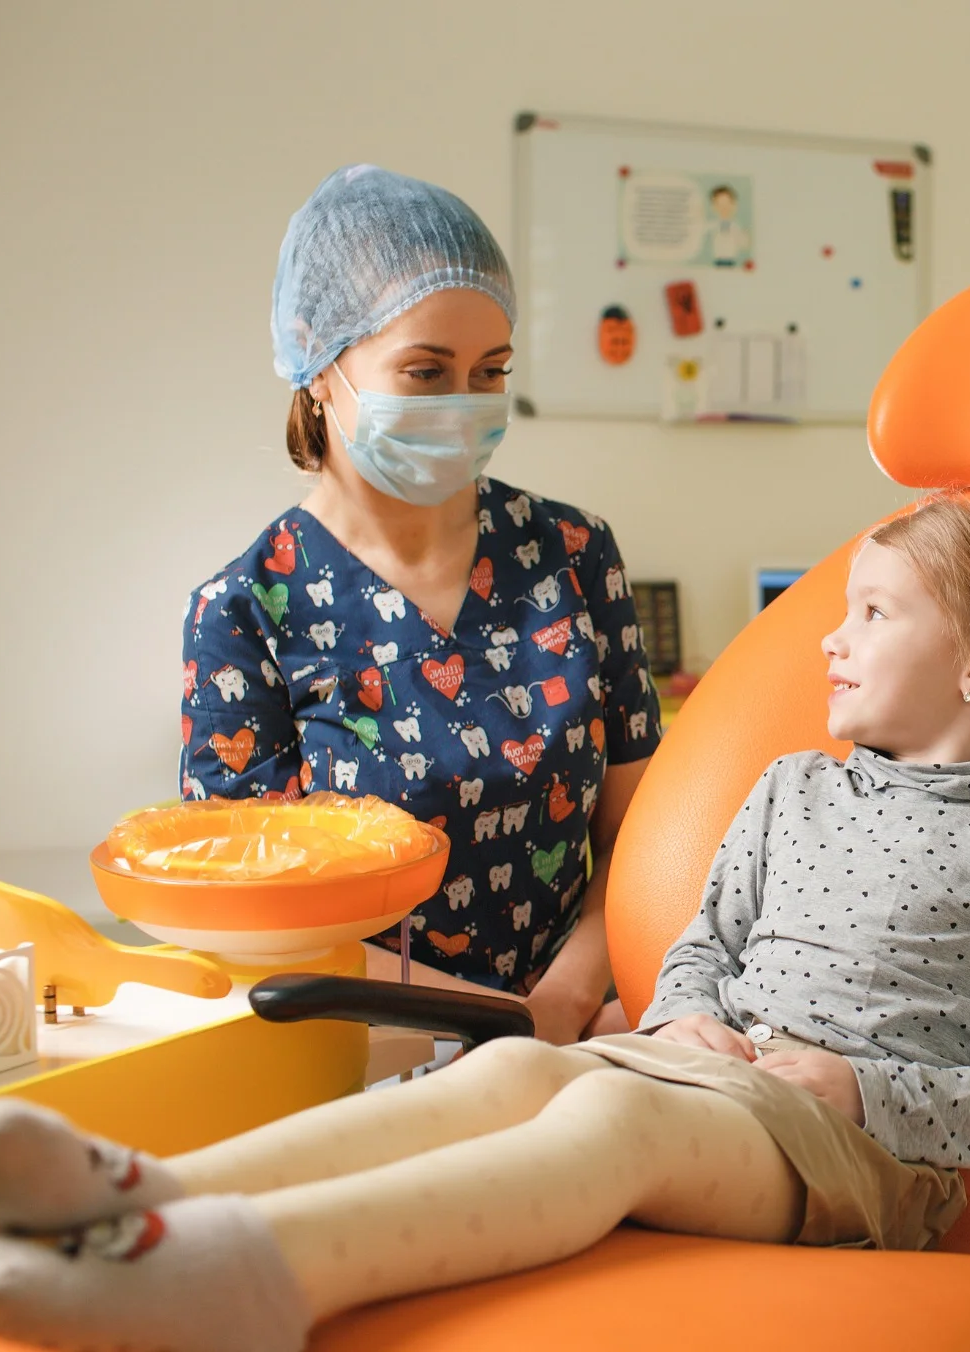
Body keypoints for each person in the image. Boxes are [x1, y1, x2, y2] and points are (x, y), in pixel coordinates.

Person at [0, 496, 970, 1352]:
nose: (827, 636)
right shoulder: (793, 784)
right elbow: (703, 946)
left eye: (872, 612)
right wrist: (682, 1012)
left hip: (856, 1164)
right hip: (701, 1076)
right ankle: (142, 1195)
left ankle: (253, 1279)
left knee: (607, 1108)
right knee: (524, 1062)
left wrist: (856, 1086)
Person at [179, 165, 661, 1039]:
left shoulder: (575, 555)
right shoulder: (246, 613)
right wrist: (505, 1022)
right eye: (426, 370)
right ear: (321, 365)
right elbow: (257, 915)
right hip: (370, 1043)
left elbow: (642, 833)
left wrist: (568, 1001)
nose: (464, 405)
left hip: (593, 1025)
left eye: (490, 372)